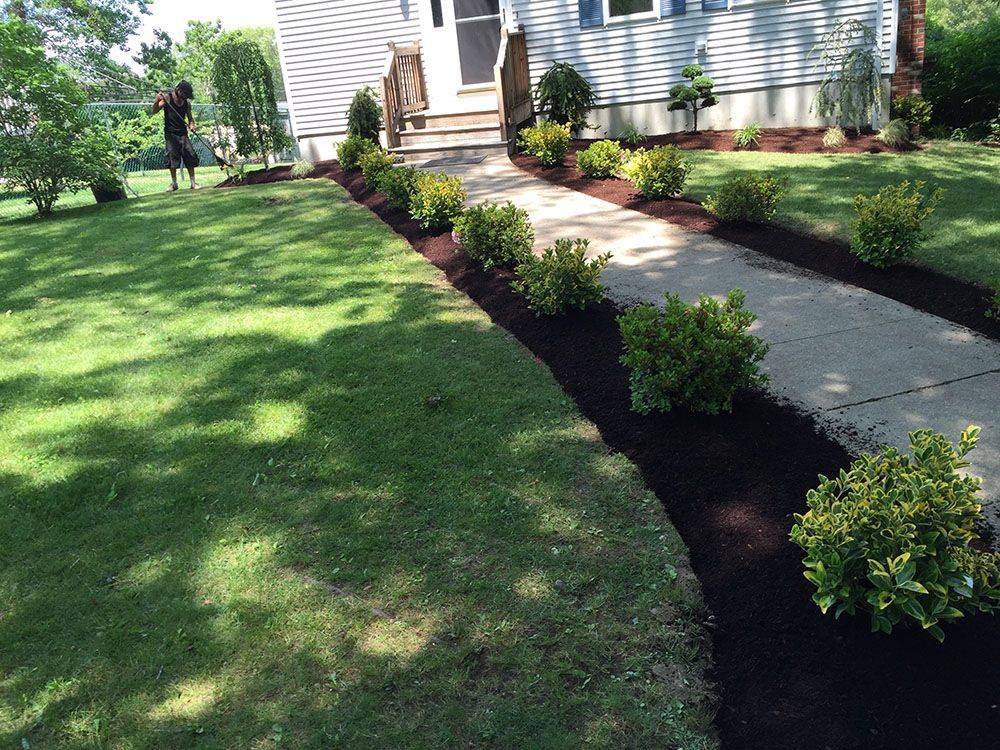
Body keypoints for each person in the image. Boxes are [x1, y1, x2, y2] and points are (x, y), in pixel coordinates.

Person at [153, 81, 200, 192]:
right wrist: (157, 100)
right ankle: (174, 184)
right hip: (170, 134)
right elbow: (154, 110)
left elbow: (190, 118)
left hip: (183, 133)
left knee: (190, 155)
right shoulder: (167, 99)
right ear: (179, 90)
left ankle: (193, 183)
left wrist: (192, 125)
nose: (186, 97)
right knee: (172, 159)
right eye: (185, 94)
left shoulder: (187, 103)